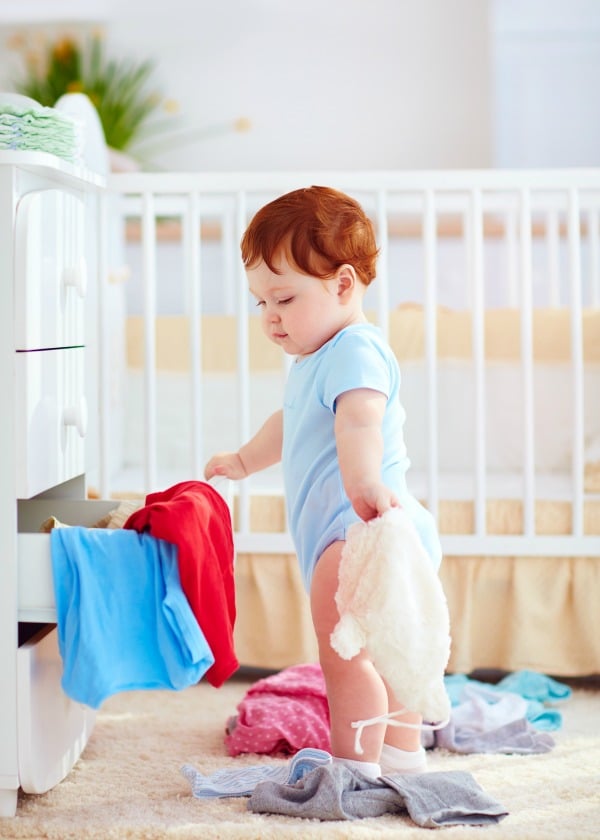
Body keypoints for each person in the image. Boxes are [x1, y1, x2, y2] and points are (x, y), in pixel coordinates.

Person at [204, 185, 442, 778]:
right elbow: (291, 424)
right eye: (260, 302)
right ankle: (402, 754)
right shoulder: (318, 359)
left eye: (283, 297)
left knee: (345, 655)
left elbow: (361, 417)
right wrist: (242, 460)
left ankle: (353, 766)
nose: (270, 317)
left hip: (354, 528)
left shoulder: (355, 349)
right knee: (392, 649)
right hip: (368, 526)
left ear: (341, 285)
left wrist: (362, 485)